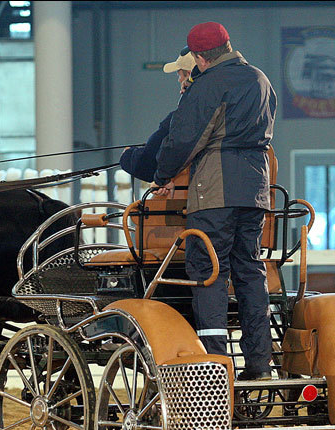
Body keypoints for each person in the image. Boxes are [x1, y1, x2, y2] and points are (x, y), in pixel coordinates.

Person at [153, 22, 278, 380]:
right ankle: (259, 362)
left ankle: (215, 365)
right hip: (256, 191)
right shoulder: (260, 80)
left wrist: (162, 176)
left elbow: (183, 141)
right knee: (250, 271)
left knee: (209, 272)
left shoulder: (209, 85)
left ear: (200, 58)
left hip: (214, 192)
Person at [119, 48, 196, 182]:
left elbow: (148, 163)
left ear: (189, 75)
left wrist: (128, 155)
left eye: (179, 75)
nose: (179, 81)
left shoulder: (181, 118)